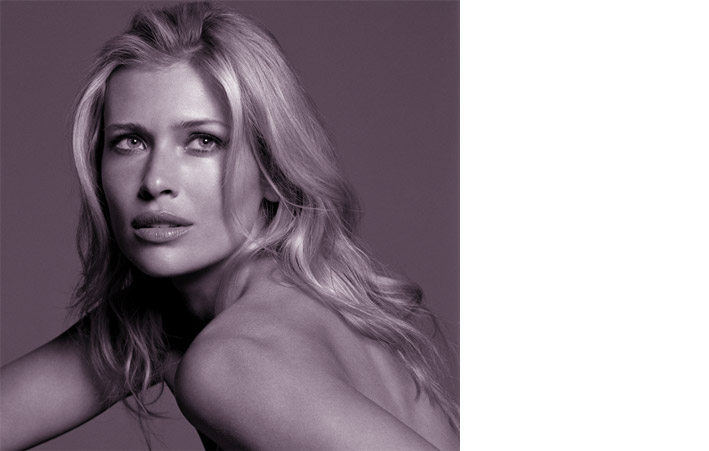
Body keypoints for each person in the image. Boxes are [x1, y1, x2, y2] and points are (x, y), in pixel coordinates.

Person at [0, 2, 458, 449]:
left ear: (273, 173)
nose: (155, 182)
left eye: (203, 141)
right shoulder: (199, 316)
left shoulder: (235, 360)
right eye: (131, 141)